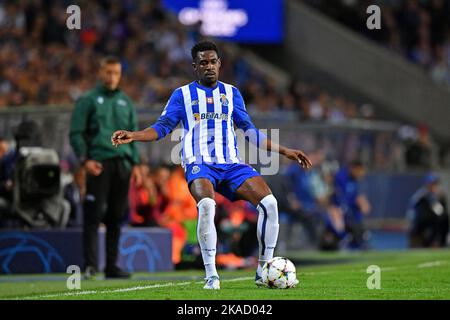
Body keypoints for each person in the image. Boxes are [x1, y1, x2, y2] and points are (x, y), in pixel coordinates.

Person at [111, 41, 312, 290]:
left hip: (231, 164)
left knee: (270, 204)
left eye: (213, 62)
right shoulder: (182, 95)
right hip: (200, 164)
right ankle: (211, 276)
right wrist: (134, 135)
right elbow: (161, 128)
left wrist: (285, 151)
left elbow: (250, 132)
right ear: (195, 67)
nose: (209, 66)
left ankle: (263, 269)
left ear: (219, 64)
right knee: (207, 206)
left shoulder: (232, 93)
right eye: (203, 63)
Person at [69, 56, 142, 279]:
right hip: (98, 164)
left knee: (116, 216)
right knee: (93, 215)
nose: (112, 77)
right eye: (108, 72)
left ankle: (111, 266)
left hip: (122, 165)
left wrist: (136, 164)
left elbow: (133, 134)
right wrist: (85, 160)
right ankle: (90, 266)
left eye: (116, 73)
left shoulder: (126, 102)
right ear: (101, 73)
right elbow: (76, 133)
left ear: (120, 75)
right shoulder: (88, 100)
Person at [332, 160, 371, 249]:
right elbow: (339, 198)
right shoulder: (341, 177)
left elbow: (356, 197)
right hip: (339, 211)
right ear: (354, 168)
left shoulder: (355, 181)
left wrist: (361, 201)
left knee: (359, 226)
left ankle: (360, 241)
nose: (361, 173)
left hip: (351, 213)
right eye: (360, 170)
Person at [407, 173, 449, 248]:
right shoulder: (421, 196)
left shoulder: (440, 197)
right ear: (427, 185)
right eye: (432, 184)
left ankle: (441, 242)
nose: (434, 186)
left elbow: (441, 213)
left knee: (444, 219)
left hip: (432, 226)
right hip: (419, 226)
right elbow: (412, 212)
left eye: (435, 184)